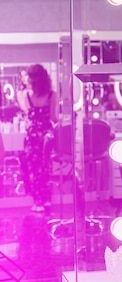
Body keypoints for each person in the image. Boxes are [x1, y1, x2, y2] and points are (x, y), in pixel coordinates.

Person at [16, 64, 58, 213]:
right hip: (46, 135)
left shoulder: (24, 95)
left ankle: (38, 202)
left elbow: (27, 112)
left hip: (32, 135)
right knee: (46, 167)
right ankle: (46, 200)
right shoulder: (52, 95)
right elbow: (53, 118)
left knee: (33, 169)